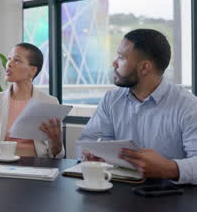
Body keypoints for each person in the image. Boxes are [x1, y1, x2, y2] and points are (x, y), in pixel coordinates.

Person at [80, 29, 197, 184]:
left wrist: (170, 168)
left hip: (172, 196)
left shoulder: (188, 105)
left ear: (144, 68)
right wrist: (91, 153)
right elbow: (89, 139)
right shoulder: (111, 99)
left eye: (121, 58)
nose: (114, 63)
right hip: (117, 192)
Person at [0, 43, 64, 158]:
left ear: (32, 70)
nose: (9, 64)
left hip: (38, 168)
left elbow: (58, 155)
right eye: (9, 59)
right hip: (2, 166)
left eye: (17, 60)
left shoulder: (49, 102)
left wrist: (56, 140)